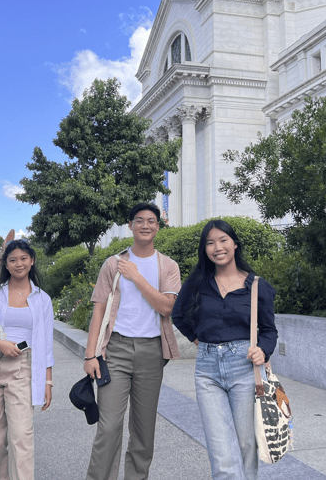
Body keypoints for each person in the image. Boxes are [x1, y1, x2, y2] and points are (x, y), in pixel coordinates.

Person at [172, 220, 278, 480]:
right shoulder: (198, 282)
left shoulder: (256, 286)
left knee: (246, 446)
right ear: (204, 249)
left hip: (244, 368)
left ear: (234, 244)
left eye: (222, 240)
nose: (217, 247)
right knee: (221, 452)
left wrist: (262, 351)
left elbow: (269, 331)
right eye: (210, 242)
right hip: (207, 372)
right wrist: (200, 342)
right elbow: (178, 315)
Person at [84, 202, 181, 480]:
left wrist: (137, 277)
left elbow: (166, 307)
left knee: (143, 429)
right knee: (109, 426)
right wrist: (91, 355)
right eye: (139, 220)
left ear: (158, 227)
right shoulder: (113, 263)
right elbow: (99, 309)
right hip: (116, 349)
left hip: (152, 352)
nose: (146, 225)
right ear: (130, 225)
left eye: (152, 221)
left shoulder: (168, 266)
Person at [0, 239, 54, 480]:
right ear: (6, 263)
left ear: (32, 260)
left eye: (23, 259)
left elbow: (46, 344)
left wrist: (48, 382)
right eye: (13, 259)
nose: (18, 264)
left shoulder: (42, 299)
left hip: (23, 368)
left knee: (21, 437)